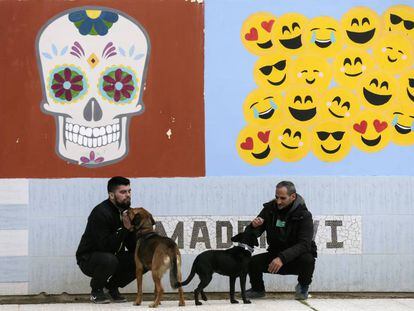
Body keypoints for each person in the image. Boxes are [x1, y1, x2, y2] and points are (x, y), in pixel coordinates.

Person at [246, 181, 317, 300]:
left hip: (295, 258)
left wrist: (282, 258)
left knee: (308, 259)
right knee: (251, 262)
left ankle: (303, 287)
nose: (278, 201)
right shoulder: (269, 210)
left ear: (293, 196)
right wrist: (253, 226)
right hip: (275, 256)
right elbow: (253, 234)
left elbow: (304, 244)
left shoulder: (304, 215)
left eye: (283, 198)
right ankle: (257, 289)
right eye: (276, 197)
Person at [76, 176, 137, 304]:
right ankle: (96, 291)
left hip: (113, 256)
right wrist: (125, 229)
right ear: (111, 195)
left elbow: (132, 247)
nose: (127, 195)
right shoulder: (100, 213)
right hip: (89, 258)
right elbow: (104, 246)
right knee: (109, 259)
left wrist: (133, 231)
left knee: (142, 257)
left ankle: (111, 288)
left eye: (129, 191)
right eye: (122, 192)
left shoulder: (126, 213)